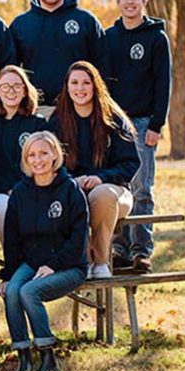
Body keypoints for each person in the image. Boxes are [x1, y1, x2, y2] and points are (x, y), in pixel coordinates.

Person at [0, 131, 88, 371]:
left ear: (55, 155)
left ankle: (48, 355)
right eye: (32, 155)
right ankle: (24, 356)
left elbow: (78, 241)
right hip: (32, 263)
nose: (38, 160)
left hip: (69, 266)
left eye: (44, 153)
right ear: (26, 159)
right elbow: (13, 241)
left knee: (29, 291)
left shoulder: (70, 190)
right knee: (12, 291)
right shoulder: (20, 192)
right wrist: (8, 276)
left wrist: (54, 265)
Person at [48, 61, 140, 278]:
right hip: (73, 189)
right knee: (68, 196)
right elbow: (50, 165)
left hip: (114, 191)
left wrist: (101, 178)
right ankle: (83, 260)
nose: (80, 88)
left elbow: (130, 164)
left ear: (95, 85)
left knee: (101, 195)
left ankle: (100, 262)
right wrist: (73, 181)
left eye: (86, 83)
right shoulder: (58, 121)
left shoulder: (113, 119)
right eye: (74, 83)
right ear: (67, 87)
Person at [106, 0, 172, 273]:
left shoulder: (156, 38)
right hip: (115, 122)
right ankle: (119, 248)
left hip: (144, 122)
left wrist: (157, 124)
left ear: (144, 1)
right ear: (118, 2)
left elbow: (163, 83)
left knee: (141, 187)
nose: (130, 2)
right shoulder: (109, 37)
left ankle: (141, 251)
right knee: (117, 187)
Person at [10, 0, 107, 116]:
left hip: (78, 109)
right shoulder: (21, 24)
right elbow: (11, 70)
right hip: (35, 110)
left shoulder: (85, 20)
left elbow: (103, 64)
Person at [0, 65, 46, 246]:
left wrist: (21, 188)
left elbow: (44, 164)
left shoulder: (37, 124)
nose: (11, 91)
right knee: (3, 207)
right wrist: (6, 189)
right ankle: (13, 260)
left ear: (25, 91)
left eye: (17, 86)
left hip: (33, 190)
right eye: (5, 87)